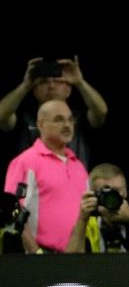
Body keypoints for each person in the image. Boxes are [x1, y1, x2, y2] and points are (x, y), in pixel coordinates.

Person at [3, 100, 89, 253]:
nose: (67, 125)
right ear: (41, 124)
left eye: (70, 119)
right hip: (39, 261)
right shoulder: (26, 162)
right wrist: (36, 254)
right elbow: (12, 212)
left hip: (77, 261)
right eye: (59, 119)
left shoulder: (79, 166)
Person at [0, 56, 108, 168]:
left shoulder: (78, 119)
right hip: (33, 182)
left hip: (74, 182)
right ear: (34, 90)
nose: (51, 86)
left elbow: (101, 112)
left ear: (68, 90)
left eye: (58, 81)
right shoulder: (26, 119)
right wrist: (25, 85)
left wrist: (80, 82)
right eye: (43, 82)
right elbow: (1, 116)